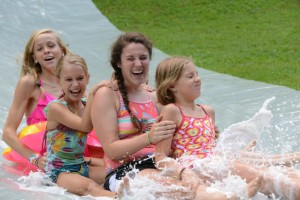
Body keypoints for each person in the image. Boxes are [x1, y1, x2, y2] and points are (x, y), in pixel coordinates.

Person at [154, 56, 300, 199]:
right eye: (190, 76)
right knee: (264, 177)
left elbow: (210, 146)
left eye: (197, 74)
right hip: (196, 166)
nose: (197, 79)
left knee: (270, 169)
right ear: (172, 85)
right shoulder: (172, 111)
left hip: (215, 161)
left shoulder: (207, 111)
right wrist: (182, 172)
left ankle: (263, 183)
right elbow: (160, 157)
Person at [91, 32, 177, 193]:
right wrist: (149, 137)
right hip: (124, 172)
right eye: (130, 59)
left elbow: (171, 142)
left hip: (159, 165)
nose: (138, 64)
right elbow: (112, 150)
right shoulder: (107, 95)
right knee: (176, 189)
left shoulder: (154, 96)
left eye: (143, 58)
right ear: (118, 63)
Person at [43, 53, 128, 198]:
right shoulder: (56, 108)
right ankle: (117, 197)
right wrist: (94, 93)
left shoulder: (86, 105)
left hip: (82, 166)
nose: (75, 84)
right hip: (59, 171)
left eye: (80, 78)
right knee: (89, 187)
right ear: (58, 81)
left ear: (87, 78)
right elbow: (85, 126)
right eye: (69, 79)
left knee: (118, 172)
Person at [2, 29, 70, 171]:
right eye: (40, 49)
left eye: (51, 46)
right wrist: (35, 159)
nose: (46, 51)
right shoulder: (29, 83)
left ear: (62, 50)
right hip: (40, 157)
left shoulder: (73, 82)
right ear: (34, 58)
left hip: (69, 150)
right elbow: (8, 133)